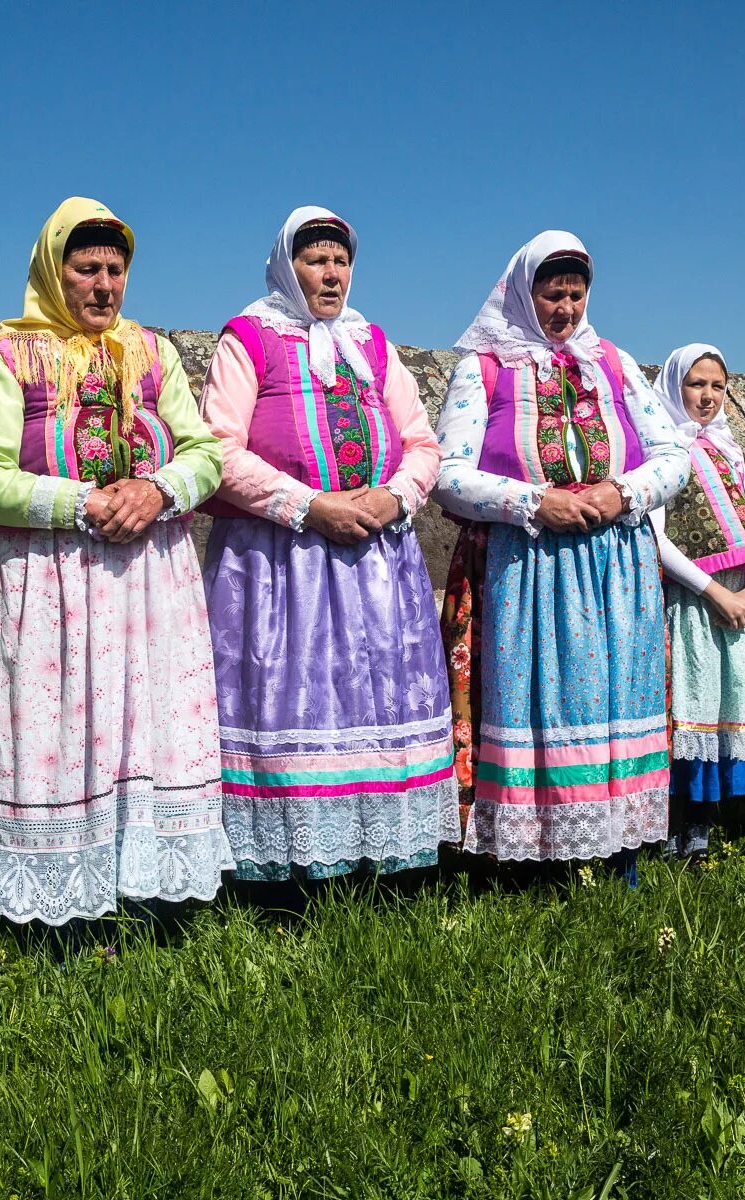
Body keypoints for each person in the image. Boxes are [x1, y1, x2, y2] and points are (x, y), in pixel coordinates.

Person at [0, 197, 233, 923]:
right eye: (86, 269)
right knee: (60, 733)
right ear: (54, 270)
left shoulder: (152, 353)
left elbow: (205, 452)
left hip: (151, 576)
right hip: (53, 578)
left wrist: (157, 488)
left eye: (116, 270)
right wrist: (80, 502)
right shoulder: (5, 356)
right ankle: (57, 910)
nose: (104, 285)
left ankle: (149, 898)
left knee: (151, 725)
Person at [199, 206, 458, 882]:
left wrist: (392, 496)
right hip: (284, 564)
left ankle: (385, 863)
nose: (331, 272)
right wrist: (308, 506)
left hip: (376, 561)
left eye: (340, 261)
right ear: (289, 266)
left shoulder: (371, 342)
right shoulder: (249, 338)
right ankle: (287, 877)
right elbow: (216, 450)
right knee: (293, 707)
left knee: (378, 708)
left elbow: (424, 443)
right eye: (316, 260)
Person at [436, 232, 689, 864]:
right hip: (526, 567)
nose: (566, 309)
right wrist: (534, 502)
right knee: (535, 703)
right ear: (524, 293)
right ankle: (533, 856)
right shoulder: (484, 368)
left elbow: (674, 456)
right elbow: (447, 473)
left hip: (615, 566)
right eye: (553, 295)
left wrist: (623, 493)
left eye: (576, 295)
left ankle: (614, 846)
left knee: (612, 700)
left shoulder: (616, 363)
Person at [649, 344, 745, 854]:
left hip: (739, 602)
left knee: (724, 712)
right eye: (696, 384)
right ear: (675, 386)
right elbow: (657, 537)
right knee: (689, 712)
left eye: (718, 386)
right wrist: (716, 592)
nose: (707, 396)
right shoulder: (662, 449)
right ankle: (671, 830)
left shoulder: (728, 450)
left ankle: (701, 830)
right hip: (693, 602)